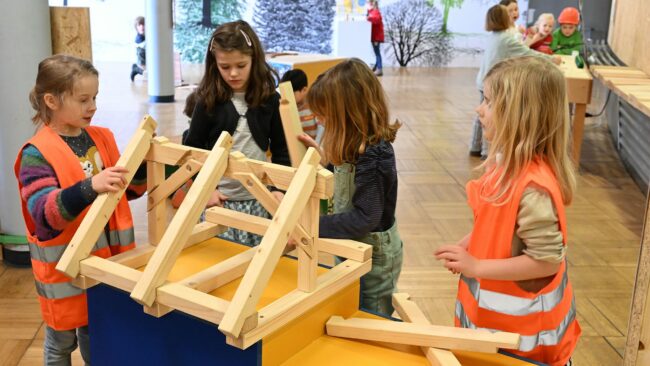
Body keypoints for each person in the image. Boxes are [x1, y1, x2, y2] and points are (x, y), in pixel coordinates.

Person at [435, 56, 581, 366]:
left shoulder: (532, 188)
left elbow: (545, 261)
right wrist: (468, 244)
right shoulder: (507, 169)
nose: (479, 109)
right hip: (495, 339)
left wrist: (476, 266)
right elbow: (496, 225)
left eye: (487, 101)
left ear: (518, 115)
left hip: (524, 349)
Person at [15, 54, 146, 365]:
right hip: (65, 273)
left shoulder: (102, 138)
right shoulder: (36, 154)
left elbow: (131, 190)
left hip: (107, 266)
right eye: (83, 99)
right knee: (61, 343)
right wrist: (91, 186)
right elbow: (46, 216)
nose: (93, 106)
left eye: (95, 97)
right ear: (52, 100)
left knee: (98, 335)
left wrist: (150, 161)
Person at [297, 58, 403, 317]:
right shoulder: (350, 143)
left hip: (374, 256)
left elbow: (365, 218)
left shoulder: (375, 154)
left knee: (371, 315)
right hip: (350, 245)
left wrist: (311, 227)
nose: (319, 121)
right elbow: (341, 180)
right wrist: (322, 161)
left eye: (324, 115)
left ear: (349, 113)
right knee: (349, 305)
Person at [183, 20, 290, 246]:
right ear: (214, 64)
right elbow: (193, 151)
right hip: (219, 201)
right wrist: (206, 189)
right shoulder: (206, 101)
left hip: (260, 201)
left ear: (254, 59)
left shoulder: (270, 99)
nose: (233, 73)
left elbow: (282, 150)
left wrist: (279, 189)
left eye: (241, 66)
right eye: (225, 67)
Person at [469, 4, 560, 158]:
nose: (512, 15)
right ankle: (486, 151)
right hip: (493, 83)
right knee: (492, 117)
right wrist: (552, 59)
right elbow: (527, 53)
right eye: (509, 13)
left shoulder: (495, 35)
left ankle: (475, 147)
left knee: (482, 115)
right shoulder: (506, 39)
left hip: (484, 80)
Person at [279, 69, 321, 141]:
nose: (287, 97)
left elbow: (321, 131)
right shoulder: (286, 107)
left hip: (313, 148)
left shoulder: (314, 106)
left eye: (292, 94)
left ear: (304, 90)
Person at [367, 0, 385, 77]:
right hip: (375, 36)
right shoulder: (372, 11)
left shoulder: (376, 12)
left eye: (370, 3)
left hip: (376, 36)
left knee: (377, 53)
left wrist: (368, 18)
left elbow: (376, 20)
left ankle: (379, 69)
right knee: (376, 52)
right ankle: (376, 67)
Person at [130, 16, 146, 82]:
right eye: (139, 25)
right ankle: (135, 69)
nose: (142, 27)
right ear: (136, 27)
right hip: (142, 57)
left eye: (143, 24)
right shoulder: (139, 38)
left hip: (146, 57)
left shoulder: (146, 34)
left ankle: (136, 67)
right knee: (146, 72)